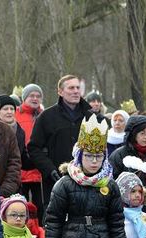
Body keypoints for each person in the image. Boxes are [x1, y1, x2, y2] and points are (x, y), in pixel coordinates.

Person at [28, 75, 100, 213]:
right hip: (56, 181)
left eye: (78, 88)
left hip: (86, 179)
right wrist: (49, 170)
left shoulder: (91, 117)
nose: (76, 91)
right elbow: (34, 148)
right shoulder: (46, 117)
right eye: (71, 88)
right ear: (60, 92)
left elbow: (99, 148)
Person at [108, 115, 146, 215]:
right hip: (123, 210)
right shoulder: (119, 155)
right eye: (142, 133)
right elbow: (110, 183)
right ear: (133, 135)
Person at [15, 84, 44, 223]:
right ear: (24, 98)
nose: (35, 98)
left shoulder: (44, 114)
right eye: (31, 95)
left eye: (38, 96)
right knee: (21, 207)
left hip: (40, 170)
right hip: (22, 169)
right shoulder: (15, 114)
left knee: (41, 206)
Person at [0, 95, 30, 175]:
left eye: (12, 109)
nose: (9, 112)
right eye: (5, 109)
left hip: (14, 179)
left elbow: (23, 160)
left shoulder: (20, 131)